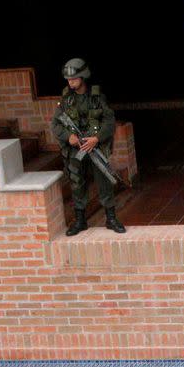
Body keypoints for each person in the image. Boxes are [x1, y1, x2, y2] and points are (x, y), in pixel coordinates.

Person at [51, 58, 126, 236]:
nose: (71, 82)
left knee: (103, 179)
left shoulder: (97, 97)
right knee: (77, 182)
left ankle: (111, 217)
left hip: (94, 147)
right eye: (69, 79)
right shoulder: (66, 100)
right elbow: (55, 124)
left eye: (74, 79)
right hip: (76, 149)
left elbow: (109, 121)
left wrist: (97, 138)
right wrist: (68, 137)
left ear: (83, 77)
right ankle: (80, 220)